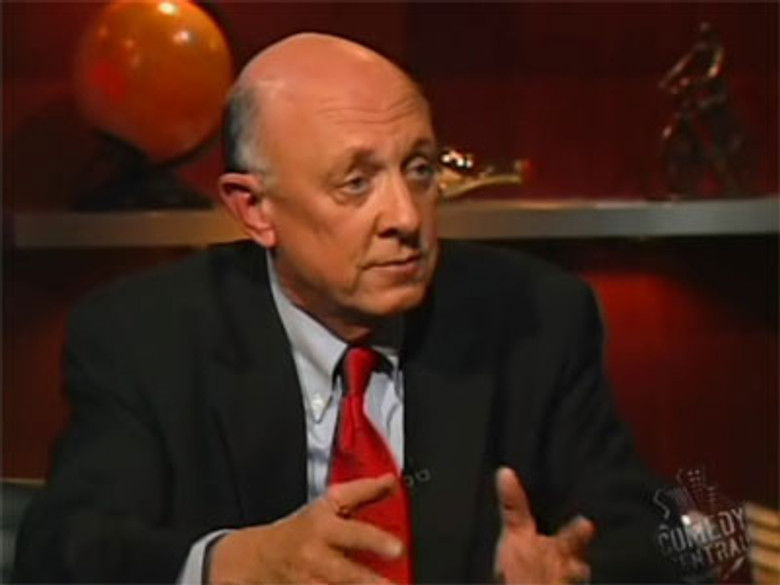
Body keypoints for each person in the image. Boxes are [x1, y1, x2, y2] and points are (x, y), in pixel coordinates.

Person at [14, 33, 678, 584]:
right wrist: (229, 564)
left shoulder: (534, 317)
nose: (405, 217)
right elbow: (63, 548)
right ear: (255, 208)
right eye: (356, 183)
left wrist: (577, 572)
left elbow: (659, 532)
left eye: (419, 169)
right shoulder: (145, 336)